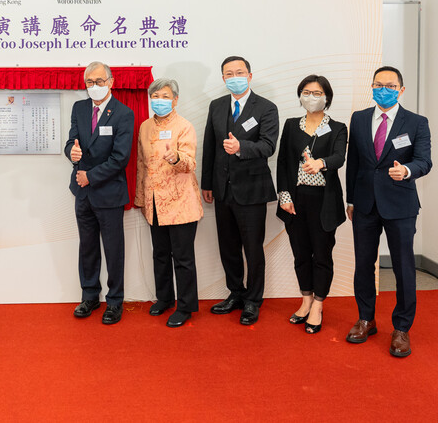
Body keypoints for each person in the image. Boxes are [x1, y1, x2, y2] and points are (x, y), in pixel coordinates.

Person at [345, 66, 431, 357]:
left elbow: (424, 161)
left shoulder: (417, 122)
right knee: (363, 265)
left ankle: (402, 328)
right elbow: (353, 162)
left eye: (390, 85)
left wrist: (407, 170)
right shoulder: (358, 119)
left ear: (401, 90)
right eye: (378, 84)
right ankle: (366, 319)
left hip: (400, 205)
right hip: (365, 205)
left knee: (404, 267)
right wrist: (351, 200)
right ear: (372, 87)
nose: (384, 89)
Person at [201, 56, 279, 325]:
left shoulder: (266, 108)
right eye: (229, 73)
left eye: (239, 72)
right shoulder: (217, 105)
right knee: (228, 247)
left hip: (252, 190)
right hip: (222, 190)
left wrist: (241, 148)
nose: (234, 77)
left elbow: (269, 146)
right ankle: (236, 293)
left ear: (249, 75)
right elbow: (209, 146)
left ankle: (253, 300)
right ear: (223, 78)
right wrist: (207, 184)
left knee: (253, 249)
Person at [276, 75, 347, 334]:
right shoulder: (292, 124)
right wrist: (284, 195)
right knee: (301, 254)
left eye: (317, 93)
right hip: (295, 200)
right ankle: (305, 300)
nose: (311, 97)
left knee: (322, 255)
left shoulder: (338, 127)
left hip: (323, 202)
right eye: (306, 92)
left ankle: (318, 304)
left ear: (326, 96)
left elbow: (339, 156)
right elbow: (283, 161)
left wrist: (322, 163)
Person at [64, 61, 135, 325]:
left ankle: (115, 301)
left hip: (108, 193)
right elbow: (72, 140)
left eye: (99, 81)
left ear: (111, 82)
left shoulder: (123, 113)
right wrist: (70, 151)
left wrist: (90, 177)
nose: (94, 87)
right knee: (88, 247)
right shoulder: (79, 108)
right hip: (82, 193)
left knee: (113, 250)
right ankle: (89, 295)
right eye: (89, 83)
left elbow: (120, 158)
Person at [134, 78, 203, 328]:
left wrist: (176, 157)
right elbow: (142, 164)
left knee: (183, 258)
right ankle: (164, 298)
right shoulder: (144, 127)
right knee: (160, 254)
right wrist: (141, 199)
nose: (159, 101)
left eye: (164, 96)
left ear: (175, 100)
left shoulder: (184, 126)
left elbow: (190, 162)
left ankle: (185, 307)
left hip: (180, 202)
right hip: (154, 202)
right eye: (155, 96)